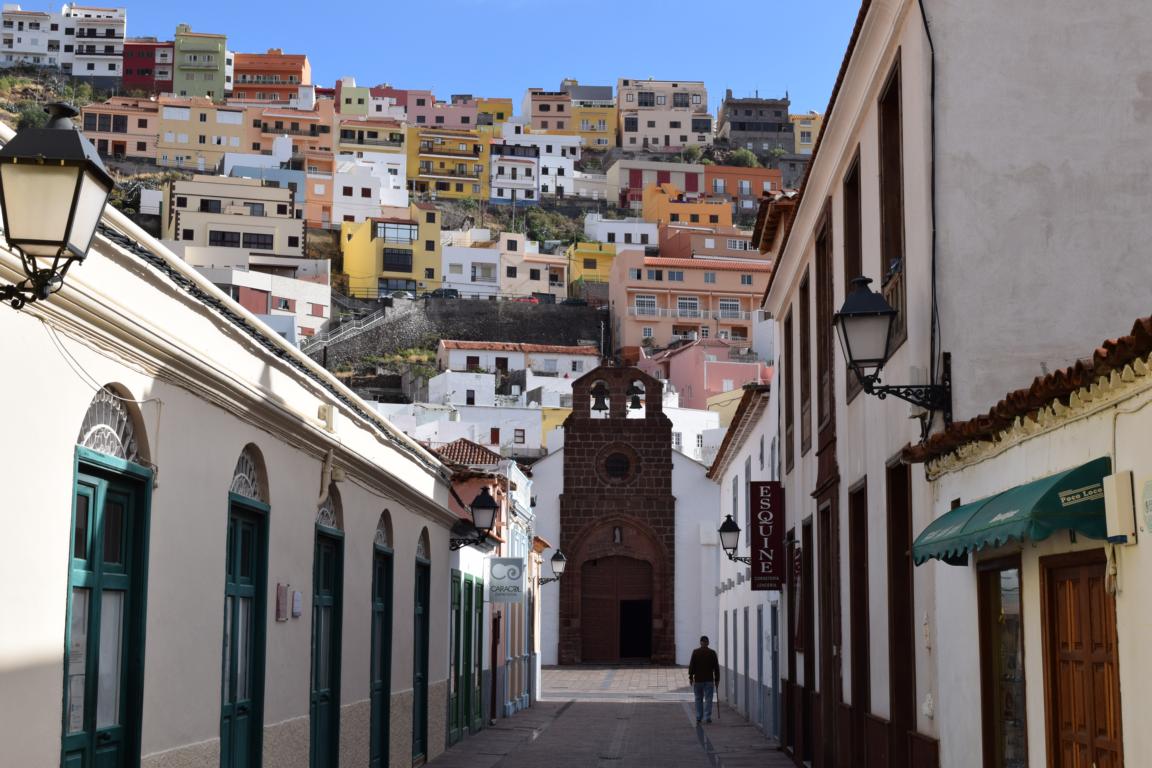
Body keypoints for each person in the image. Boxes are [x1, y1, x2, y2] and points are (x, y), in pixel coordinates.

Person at [688, 635, 720, 724]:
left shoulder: (695, 652)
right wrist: (717, 680)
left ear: (700, 642)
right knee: (708, 699)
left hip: (698, 680)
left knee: (698, 699)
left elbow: (691, 666)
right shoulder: (712, 653)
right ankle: (707, 717)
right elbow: (716, 668)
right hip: (709, 680)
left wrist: (690, 677)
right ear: (708, 643)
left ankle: (699, 717)